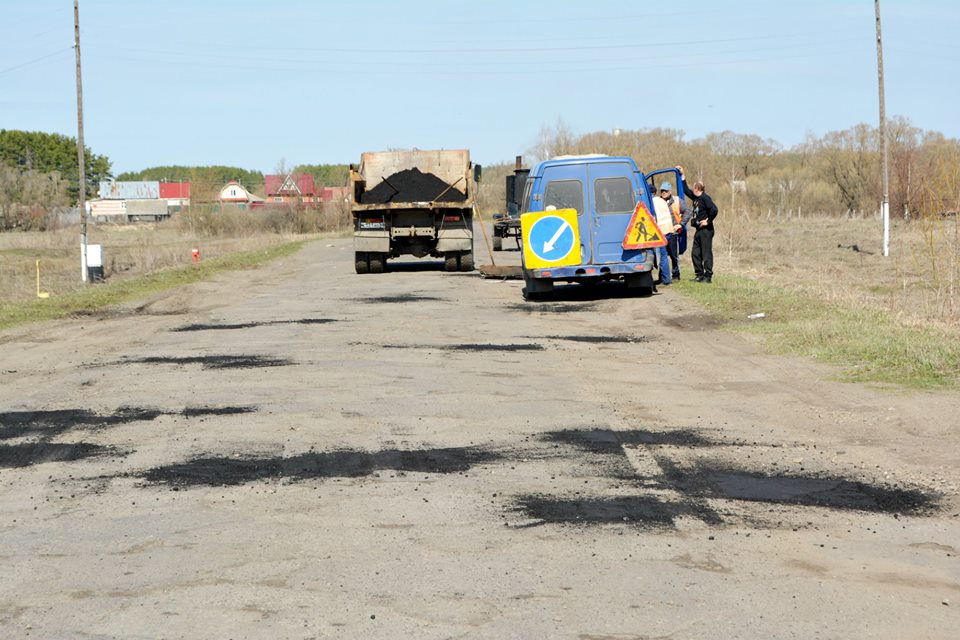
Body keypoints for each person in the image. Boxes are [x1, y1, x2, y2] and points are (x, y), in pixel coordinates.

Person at [676, 165, 718, 283]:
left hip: (706, 231)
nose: (692, 190)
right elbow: (685, 189)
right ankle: (699, 275)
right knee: (695, 253)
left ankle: (708, 276)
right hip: (698, 230)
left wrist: (708, 221)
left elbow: (714, 209)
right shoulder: (695, 198)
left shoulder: (705, 198)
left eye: (694, 188)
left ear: (697, 189)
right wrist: (682, 174)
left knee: (706, 254)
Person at [657, 182, 690, 281]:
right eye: (662, 191)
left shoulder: (677, 201)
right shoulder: (658, 201)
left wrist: (681, 224)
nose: (663, 193)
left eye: (666, 191)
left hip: (673, 233)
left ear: (670, 191)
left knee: (673, 256)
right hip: (661, 233)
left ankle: (676, 275)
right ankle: (662, 276)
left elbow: (688, 211)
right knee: (662, 257)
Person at [650, 190, 673, 286]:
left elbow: (653, 218)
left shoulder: (652, 202)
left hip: (661, 231)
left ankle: (666, 280)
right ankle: (663, 278)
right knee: (664, 255)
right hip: (668, 230)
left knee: (662, 256)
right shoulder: (661, 201)